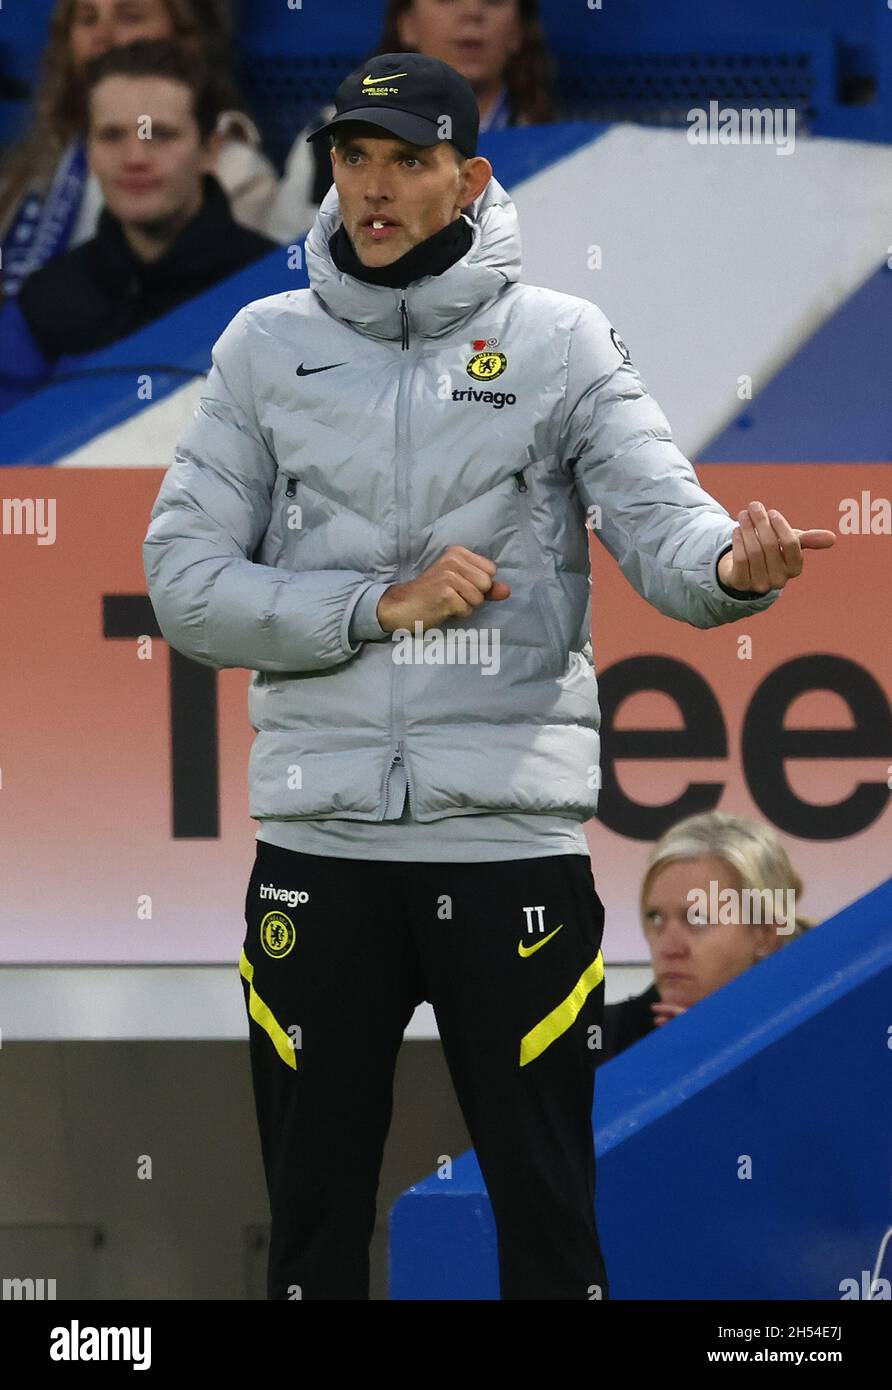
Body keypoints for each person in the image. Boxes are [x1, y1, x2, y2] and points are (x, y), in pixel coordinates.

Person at [142, 52, 835, 1300]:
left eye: (409, 161)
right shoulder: (260, 344)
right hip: (323, 847)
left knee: (551, 1235)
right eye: (356, 156)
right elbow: (182, 584)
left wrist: (736, 569)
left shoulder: (560, 342)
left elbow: (669, 537)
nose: (376, 185)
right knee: (307, 1243)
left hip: (507, 846)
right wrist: (376, 606)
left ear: (469, 177)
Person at [0, 40, 276, 410]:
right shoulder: (40, 306)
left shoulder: (279, 294)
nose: (135, 158)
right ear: (88, 150)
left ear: (211, 149)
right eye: (112, 135)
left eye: (160, 134)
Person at [0, 0, 278, 296]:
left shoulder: (238, 170)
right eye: (87, 18)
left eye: (130, 17)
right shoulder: (40, 156)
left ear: (187, 37)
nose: (102, 36)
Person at [266, 0, 555, 243]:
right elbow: (282, 264)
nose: (472, 11)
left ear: (518, 32)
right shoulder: (330, 137)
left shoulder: (567, 147)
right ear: (406, 24)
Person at [595, 811, 817, 1067]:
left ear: (765, 935)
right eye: (656, 918)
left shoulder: (815, 1043)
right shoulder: (594, 1041)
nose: (668, 948)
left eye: (697, 919)